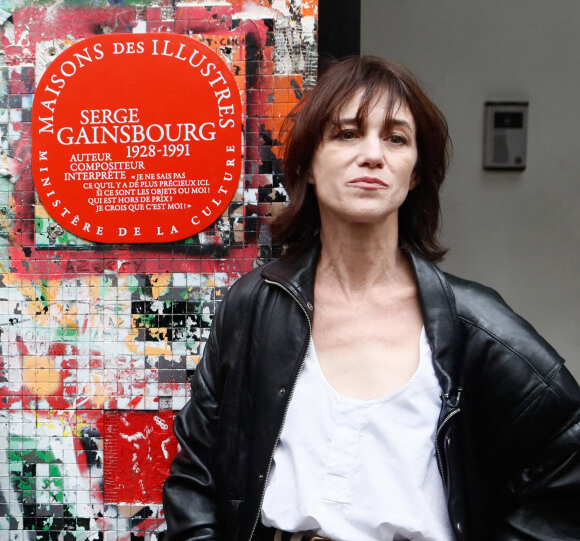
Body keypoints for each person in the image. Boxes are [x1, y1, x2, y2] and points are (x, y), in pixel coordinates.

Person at [162, 56, 580, 541]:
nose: (373, 155)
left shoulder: (474, 325)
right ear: (309, 165)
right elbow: (197, 477)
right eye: (347, 134)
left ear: (416, 172)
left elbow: (565, 458)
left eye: (396, 138)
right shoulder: (255, 307)